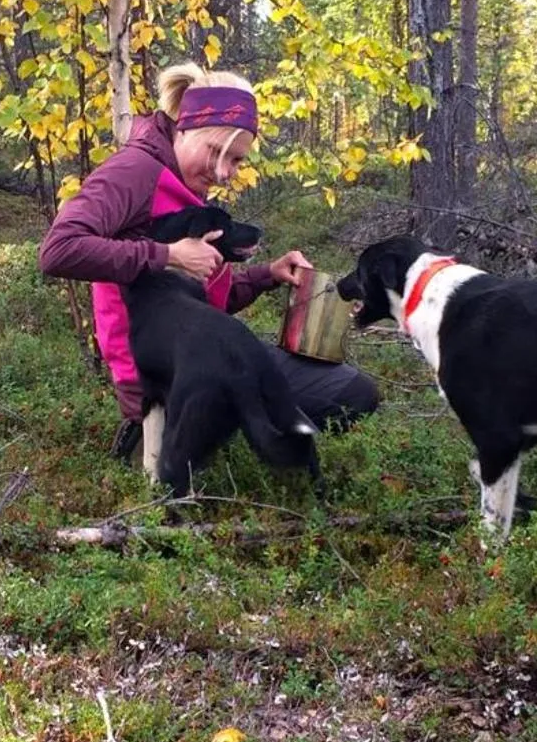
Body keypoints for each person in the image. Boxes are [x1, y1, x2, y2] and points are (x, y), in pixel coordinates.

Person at [38, 63, 379, 460]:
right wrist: (168, 254)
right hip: (161, 373)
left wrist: (267, 275)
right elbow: (58, 250)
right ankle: (155, 439)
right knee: (303, 414)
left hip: (201, 353)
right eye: (215, 151)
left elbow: (202, 300)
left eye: (235, 160)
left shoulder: (183, 182)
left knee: (350, 393)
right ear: (184, 128)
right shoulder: (135, 171)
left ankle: (222, 439)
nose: (223, 171)